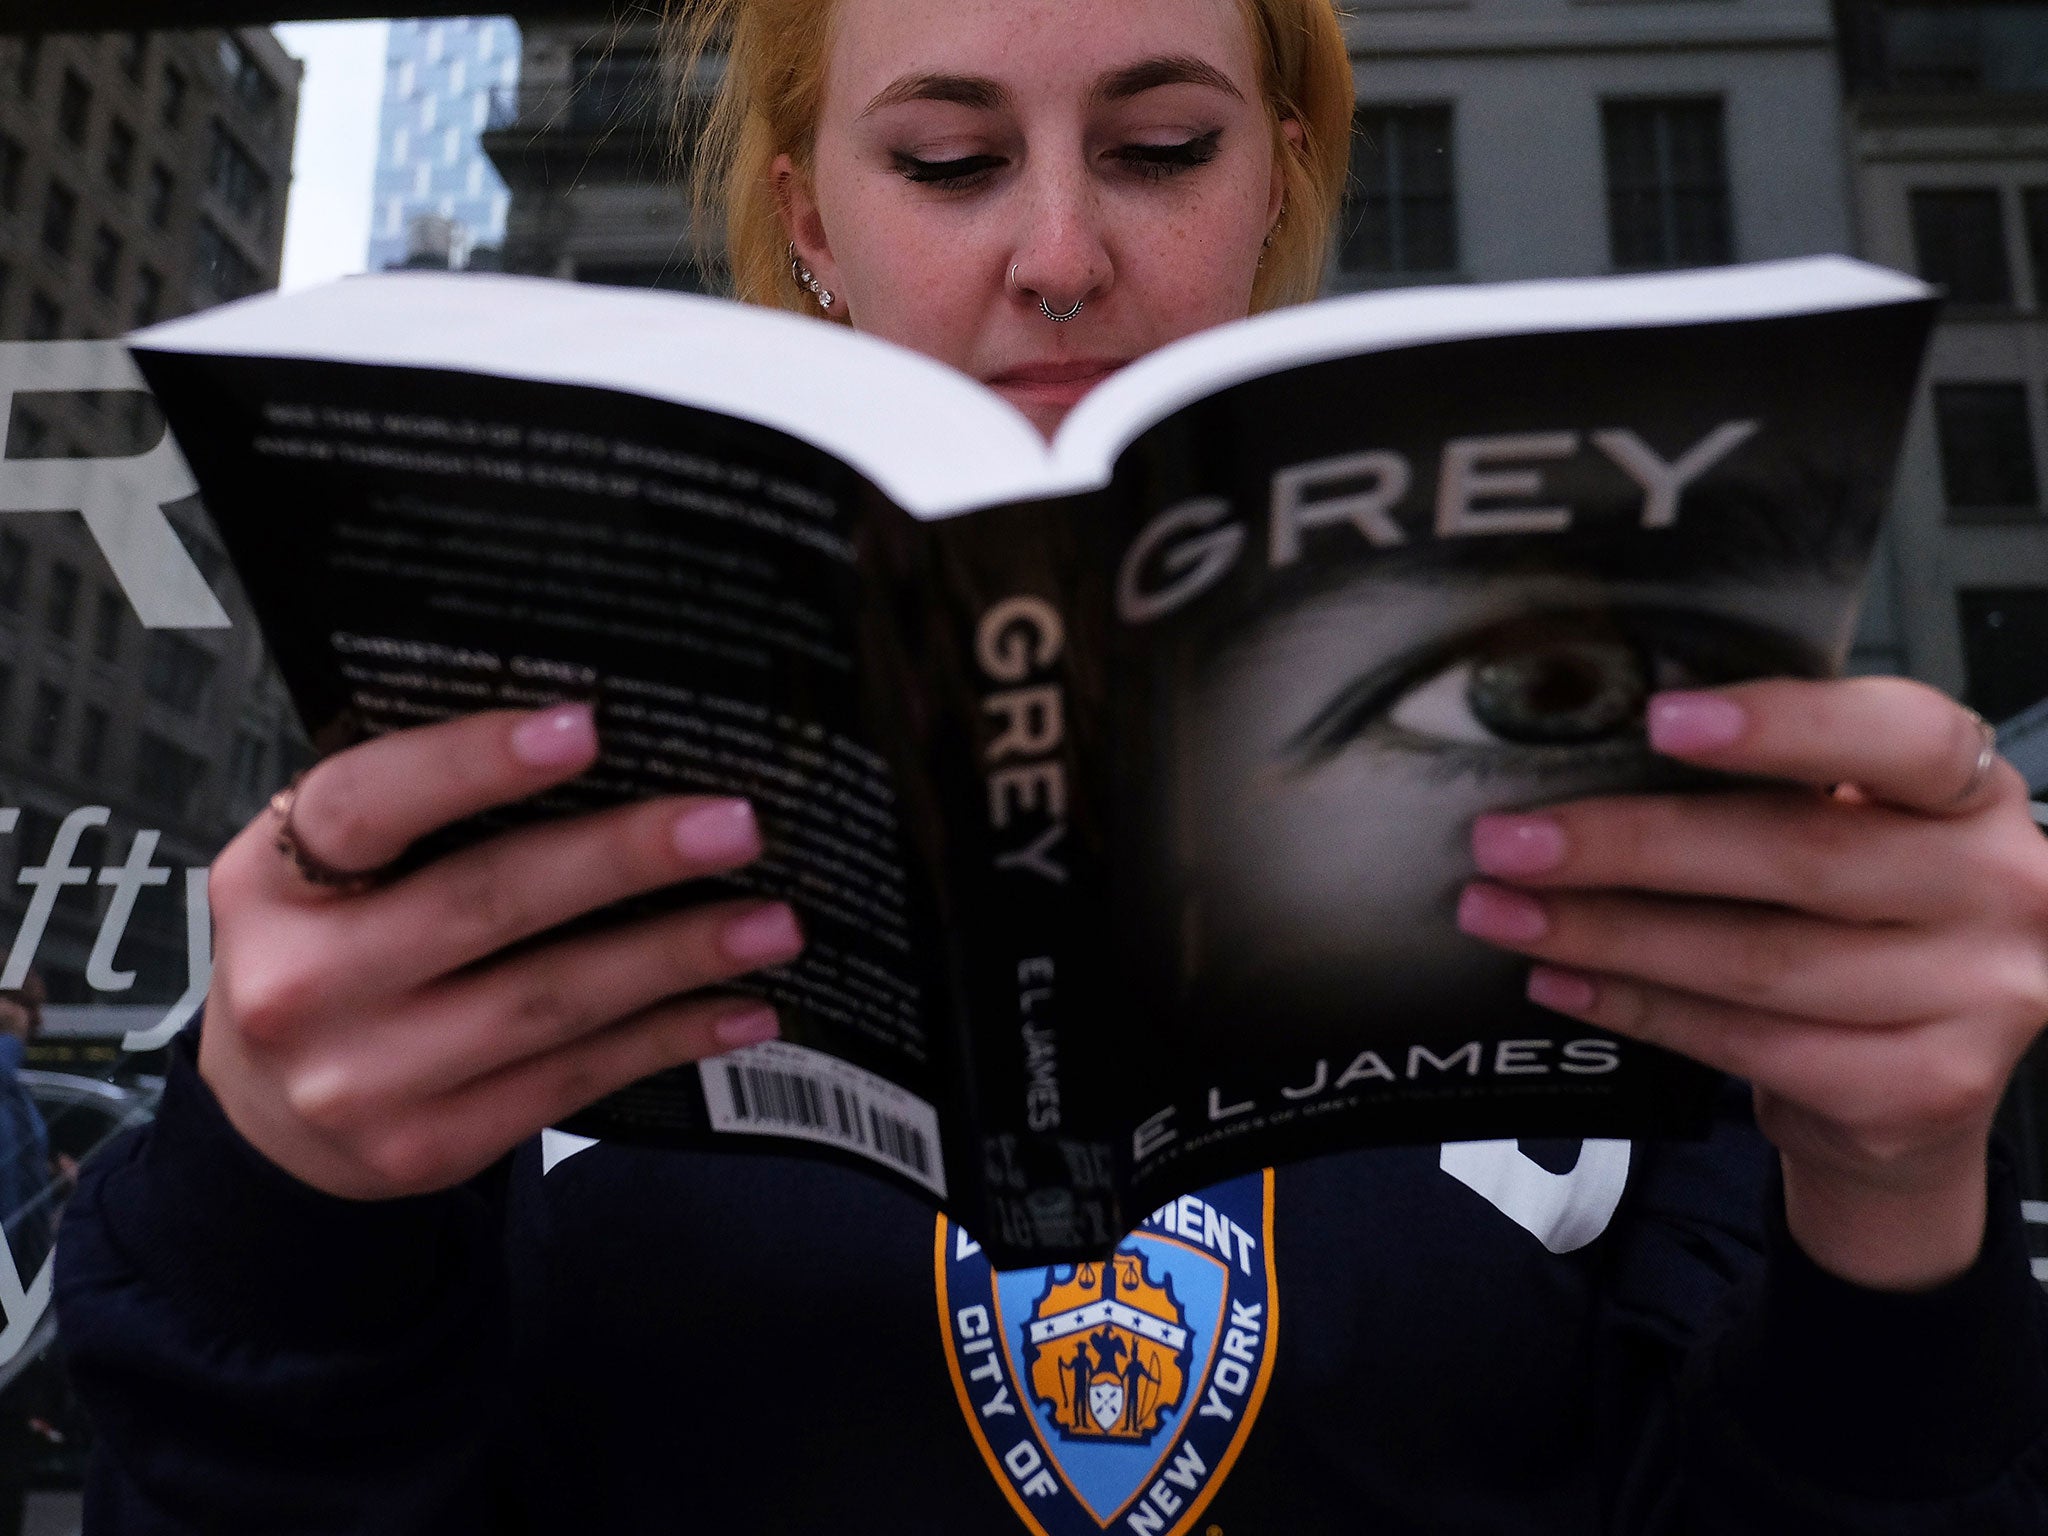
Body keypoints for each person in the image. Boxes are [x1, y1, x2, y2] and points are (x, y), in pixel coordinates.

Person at [52, 0, 2048, 1531]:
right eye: (946, 161)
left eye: (1161, 144)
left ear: (1273, 176)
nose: (1062, 253)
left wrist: (1890, 1196)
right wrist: (274, 1193)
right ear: (806, 216)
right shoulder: (517, 800)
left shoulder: (1598, 792)